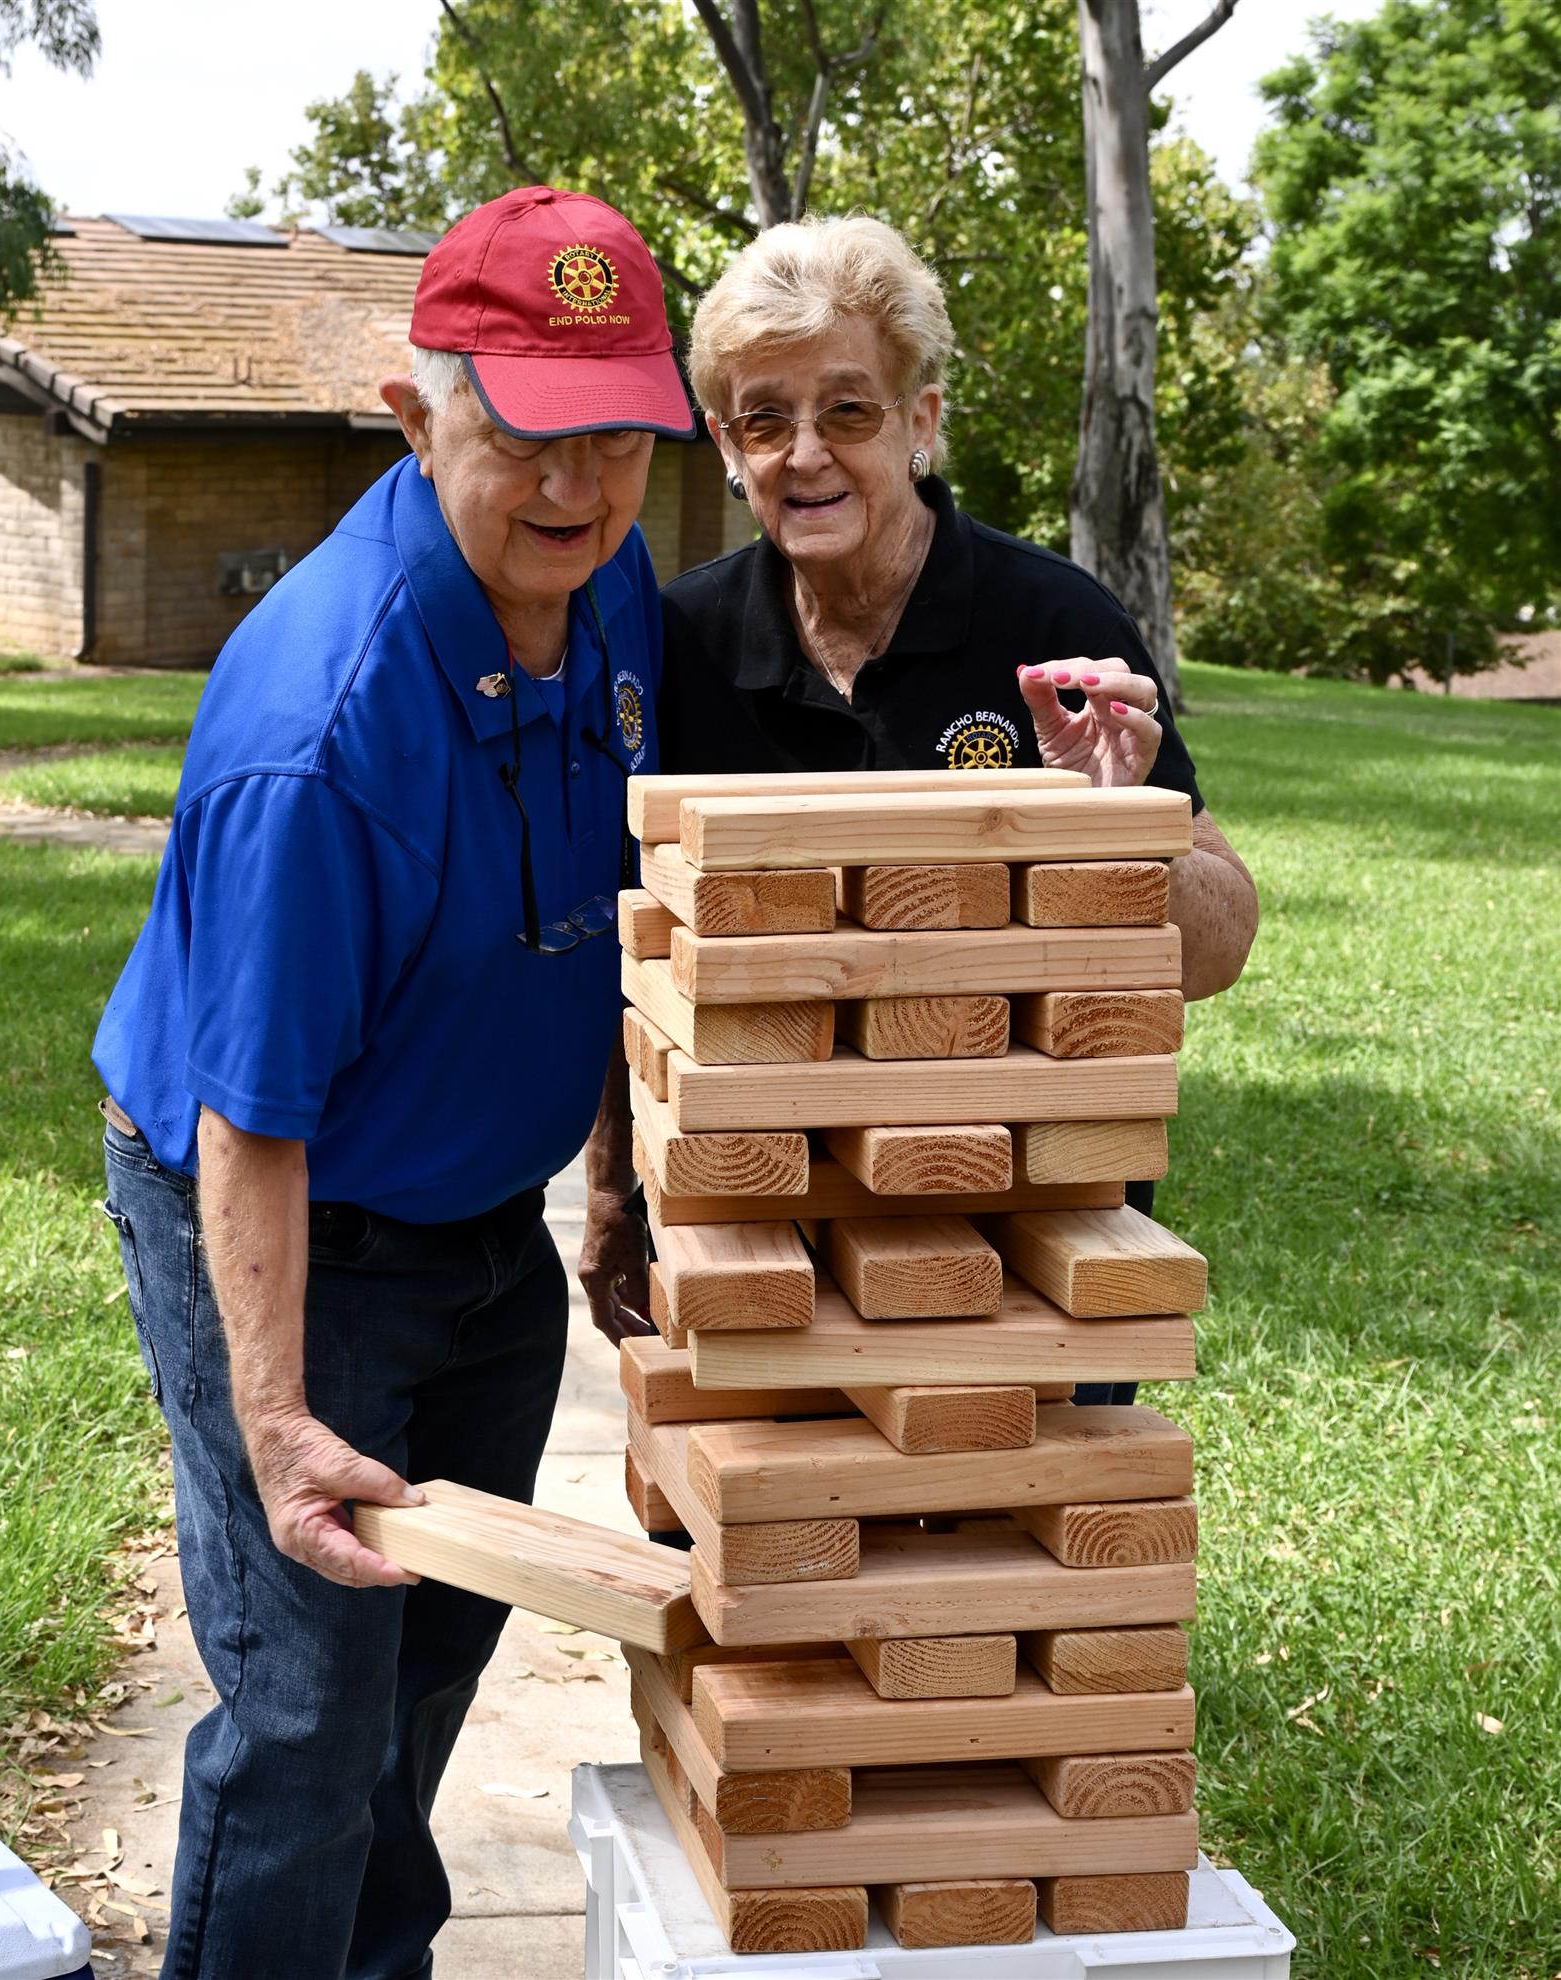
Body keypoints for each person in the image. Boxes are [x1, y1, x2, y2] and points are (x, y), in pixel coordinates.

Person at [93, 185, 693, 1980]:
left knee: (434, 1664)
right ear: (412, 410)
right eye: (523, 426)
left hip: (474, 1218)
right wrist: (275, 1436)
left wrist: (610, 1179)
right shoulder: (317, 735)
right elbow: (249, 1123)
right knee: (306, 1713)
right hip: (287, 1213)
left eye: (616, 431)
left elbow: (599, 902)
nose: (575, 482)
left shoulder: (606, 589)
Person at [579, 216, 1257, 1398]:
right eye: (763, 418)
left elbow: (1217, 946)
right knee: (766, 1562)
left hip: (1025, 1251)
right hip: (756, 1239)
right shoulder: (675, 641)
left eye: (847, 411)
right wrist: (610, 1200)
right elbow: (628, 948)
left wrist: (1118, 821)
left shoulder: (1050, 625)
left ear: (922, 421)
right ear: (726, 450)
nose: (805, 455)